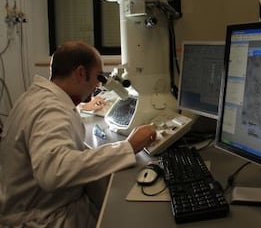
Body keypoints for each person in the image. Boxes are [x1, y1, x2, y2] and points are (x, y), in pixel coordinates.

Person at [0, 41, 157, 227]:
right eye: (98, 76)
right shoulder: (50, 109)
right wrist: (128, 147)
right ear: (81, 72)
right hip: (41, 218)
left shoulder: (38, 98)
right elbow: (54, 171)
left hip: (39, 205)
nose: (99, 83)